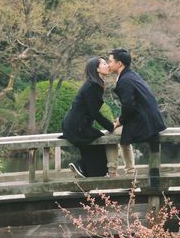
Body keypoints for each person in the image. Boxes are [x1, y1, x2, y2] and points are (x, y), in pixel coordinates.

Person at [108, 48, 166, 186]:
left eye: (110, 61)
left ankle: (112, 173)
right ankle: (130, 173)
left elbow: (129, 106)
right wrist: (121, 120)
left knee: (110, 134)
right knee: (123, 137)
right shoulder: (131, 75)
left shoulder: (124, 80)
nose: (108, 64)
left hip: (145, 123)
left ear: (119, 63)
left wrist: (120, 121)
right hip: (149, 120)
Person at [61, 56, 115, 177]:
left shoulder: (95, 84)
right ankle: (81, 166)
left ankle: (83, 172)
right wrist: (111, 126)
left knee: (94, 147)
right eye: (104, 63)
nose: (108, 65)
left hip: (76, 125)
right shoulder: (92, 86)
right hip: (77, 127)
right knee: (101, 142)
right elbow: (94, 113)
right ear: (97, 69)